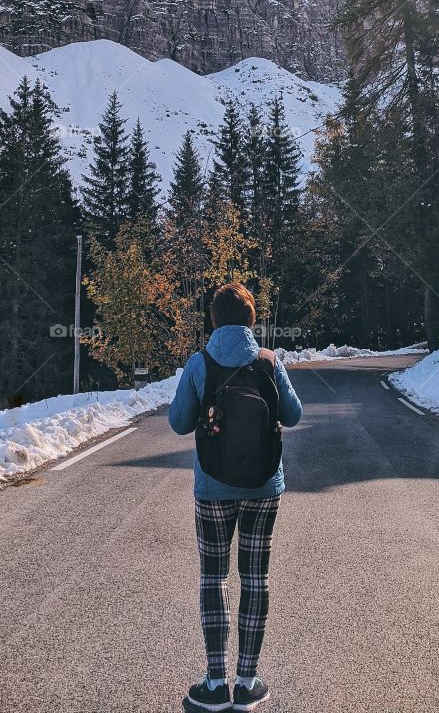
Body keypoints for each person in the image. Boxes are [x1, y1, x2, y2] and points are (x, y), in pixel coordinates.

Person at [168, 282, 303, 711]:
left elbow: (178, 423)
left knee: (214, 577)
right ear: (251, 321)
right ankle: (247, 682)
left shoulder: (199, 362)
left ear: (213, 320)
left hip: (211, 487)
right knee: (255, 578)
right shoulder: (268, 361)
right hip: (264, 487)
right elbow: (294, 415)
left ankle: (213, 683)